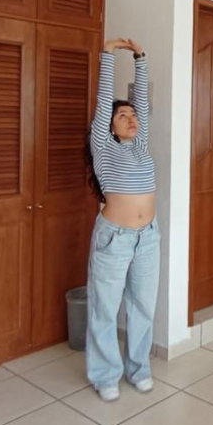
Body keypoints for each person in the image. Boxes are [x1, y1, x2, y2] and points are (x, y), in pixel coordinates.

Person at [85, 37, 159, 402]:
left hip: (149, 236)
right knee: (105, 308)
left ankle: (139, 369)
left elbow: (141, 103)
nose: (131, 119)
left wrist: (141, 59)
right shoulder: (102, 147)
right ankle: (105, 375)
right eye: (122, 116)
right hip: (114, 237)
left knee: (142, 306)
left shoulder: (140, 146)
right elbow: (103, 103)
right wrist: (109, 54)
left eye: (133, 116)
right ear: (109, 126)